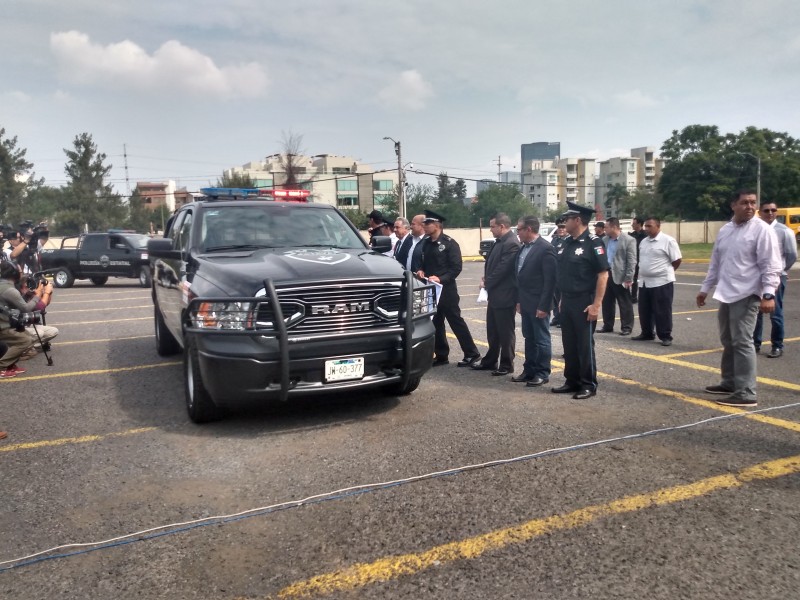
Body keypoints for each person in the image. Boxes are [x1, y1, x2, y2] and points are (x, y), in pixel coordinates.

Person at [697, 189, 782, 408]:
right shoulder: (726, 230)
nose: (750, 207)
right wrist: (705, 288)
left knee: (743, 342)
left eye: (753, 203)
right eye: (745, 202)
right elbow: (716, 262)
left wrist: (768, 294)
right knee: (728, 340)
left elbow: (771, 265)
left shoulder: (762, 230)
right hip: (727, 292)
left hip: (748, 293)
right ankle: (729, 382)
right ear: (733, 205)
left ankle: (746, 392)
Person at [551, 201, 609, 399]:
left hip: (585, 301)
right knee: (569, 344)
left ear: (577, 220)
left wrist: (596, 304)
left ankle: (588, 384)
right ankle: (572, 380)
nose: (564, 222)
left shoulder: (594, 242)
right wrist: (561, 300)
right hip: (566, 300)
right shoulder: (567, 242)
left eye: (567, 218)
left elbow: (603, 275)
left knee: (584, 345)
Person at [416, 210, 481, 367]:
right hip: (431, 290)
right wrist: (420, 270)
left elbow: (456, 268)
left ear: (437, 225)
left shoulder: (449, 244)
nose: (424, 227)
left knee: (455, 321)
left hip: (446, 290)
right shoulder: (426, 243)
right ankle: (441, 354)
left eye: (427, 224)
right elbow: (422, 262)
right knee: (436, 323)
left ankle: (472, 353)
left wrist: (441, 278)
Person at [472, 213, 520, 376]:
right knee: (493, 331)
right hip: (495, 294)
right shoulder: (499, 242)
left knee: (505, 333)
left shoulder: (511, 243)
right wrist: (486, 279)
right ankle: (490, 361)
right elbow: (493, 266)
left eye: (492, 226)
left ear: (502, 226)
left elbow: (503, 269)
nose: (490, 229)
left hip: (505, 295)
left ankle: (507, 364)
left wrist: (487, 282)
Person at [512, 216, 557, 386]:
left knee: (542, 339)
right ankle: (529, 370)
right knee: (529, 337)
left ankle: (542, 372)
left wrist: (544, 306)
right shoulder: (522, 248)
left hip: (539, 303)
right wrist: (518, 301)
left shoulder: (546, 249)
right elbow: (519, 278)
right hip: (525, 302)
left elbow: (550, 281)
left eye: (519, 230)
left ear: (529, 229)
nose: (518, 233)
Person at [753, 200, 797, 358]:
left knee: (775, 312)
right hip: (757, 278)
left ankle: (777, 345)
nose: (770, 213)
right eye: (766, 210)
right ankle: (755, 344)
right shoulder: (755, 229)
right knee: (756, 312)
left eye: (773, 210)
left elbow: (791, 255)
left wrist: (780, 271)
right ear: (760, 212)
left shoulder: (784, 231)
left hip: (776, 278)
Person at [632, 218, 682, 346]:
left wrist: (665, 272)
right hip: (644, 281)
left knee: (662, 310)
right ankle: (647, 333)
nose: (646, 228)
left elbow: (676, 260)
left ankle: (665, 335)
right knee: (644, 309)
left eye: (650, 226)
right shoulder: (644, 241)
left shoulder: (668, 241)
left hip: (661, 281)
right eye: (646, 226)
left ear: (658, 226)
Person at [0, 261, 40, 378]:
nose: (21, 273)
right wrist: (38, 296)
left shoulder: (6, 287)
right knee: (24, 341)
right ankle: (2, 366)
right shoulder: (9, 290)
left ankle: (10, 365)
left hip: (7, 323)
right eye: (20, 271)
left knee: (30, 338)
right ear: (14, 274)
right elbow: (26, 309)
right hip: (3, 326)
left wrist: (25, 294)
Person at [598, 217, 637, 336]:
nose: (605, 229)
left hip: (620, 275)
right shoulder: (604, 240)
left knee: (624, 302)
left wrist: (629, 277)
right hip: (606, 273)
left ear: (614, 227)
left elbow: (631, 260)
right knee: (607, 302)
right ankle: (608, 325)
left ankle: (626, 326)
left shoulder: (628, 240)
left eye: (606, 227)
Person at [19, 275, 58, 351]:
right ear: (24, 285)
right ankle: (23, 348)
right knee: (39, 333)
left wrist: (49, 292)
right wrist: (46, 292)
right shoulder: (21, 295)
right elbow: (40, 307)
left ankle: (32, 346)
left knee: (53, 331)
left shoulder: (31, 293)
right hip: (19, 328)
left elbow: (44, 305)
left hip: (30, 326)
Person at [549, 220, 569, 327]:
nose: (561, 229)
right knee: (555, 297)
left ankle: (563, 318)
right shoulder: (555, 240)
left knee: (562, 297)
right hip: (554, 272)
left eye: (563, 227)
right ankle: (557, 317)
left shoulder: (568, 241)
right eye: (559, 227)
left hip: (563, 272)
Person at [628, 217, 647, 303]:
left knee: (644, 279)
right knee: (633, 278)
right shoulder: (632, 235)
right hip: (634, 260)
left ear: (639, 224)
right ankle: (633, 297)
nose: (632, 225)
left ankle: (645, 296)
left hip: (644, 260)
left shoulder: (646, 236)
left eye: (634, 223)